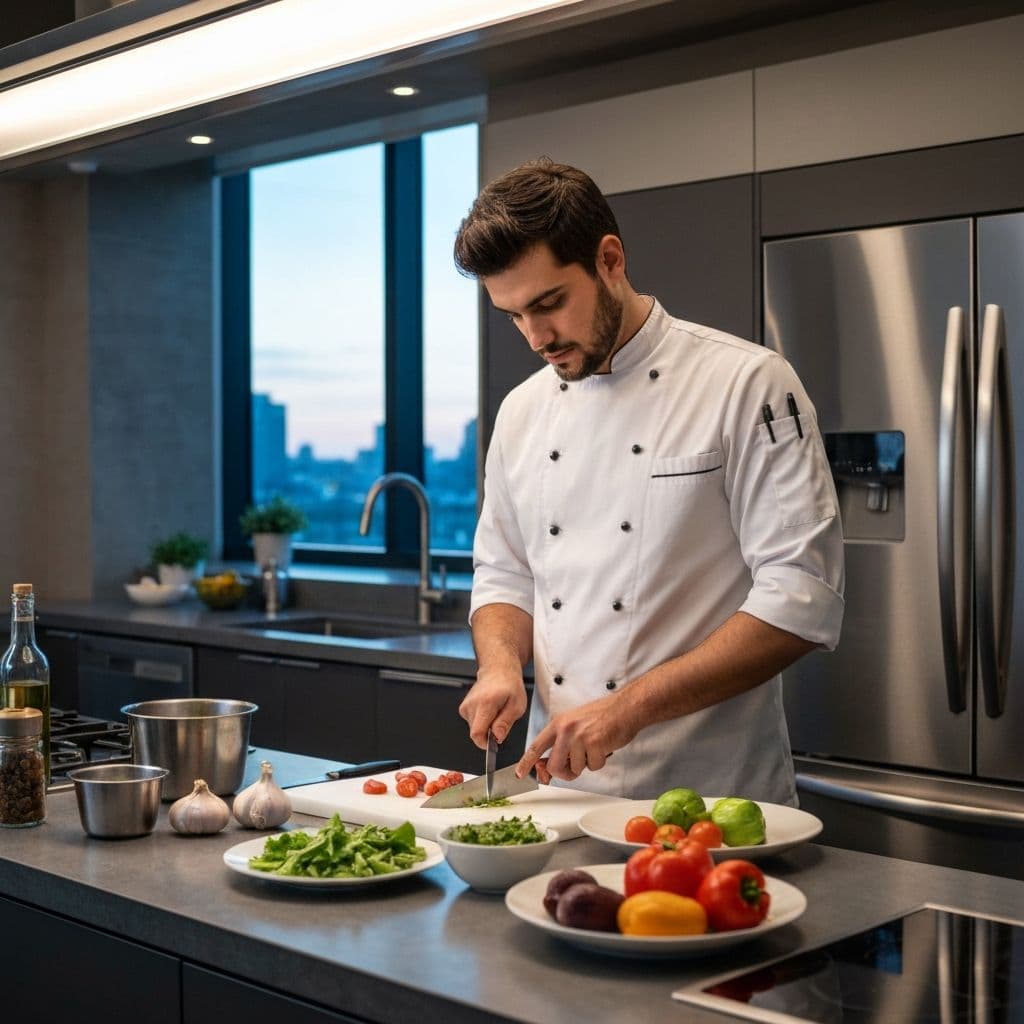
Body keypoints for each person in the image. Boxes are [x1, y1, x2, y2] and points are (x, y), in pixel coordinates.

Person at [453, 158, 844, 804]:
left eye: (549, 304)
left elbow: (802, 598)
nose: (536, 337)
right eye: (514, 315)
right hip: (557, 801)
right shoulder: (521, 412)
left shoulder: (747, 385)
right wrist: (499, 666)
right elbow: (504, 572)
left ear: (610, 260)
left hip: (712, 806)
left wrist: (627, 708)